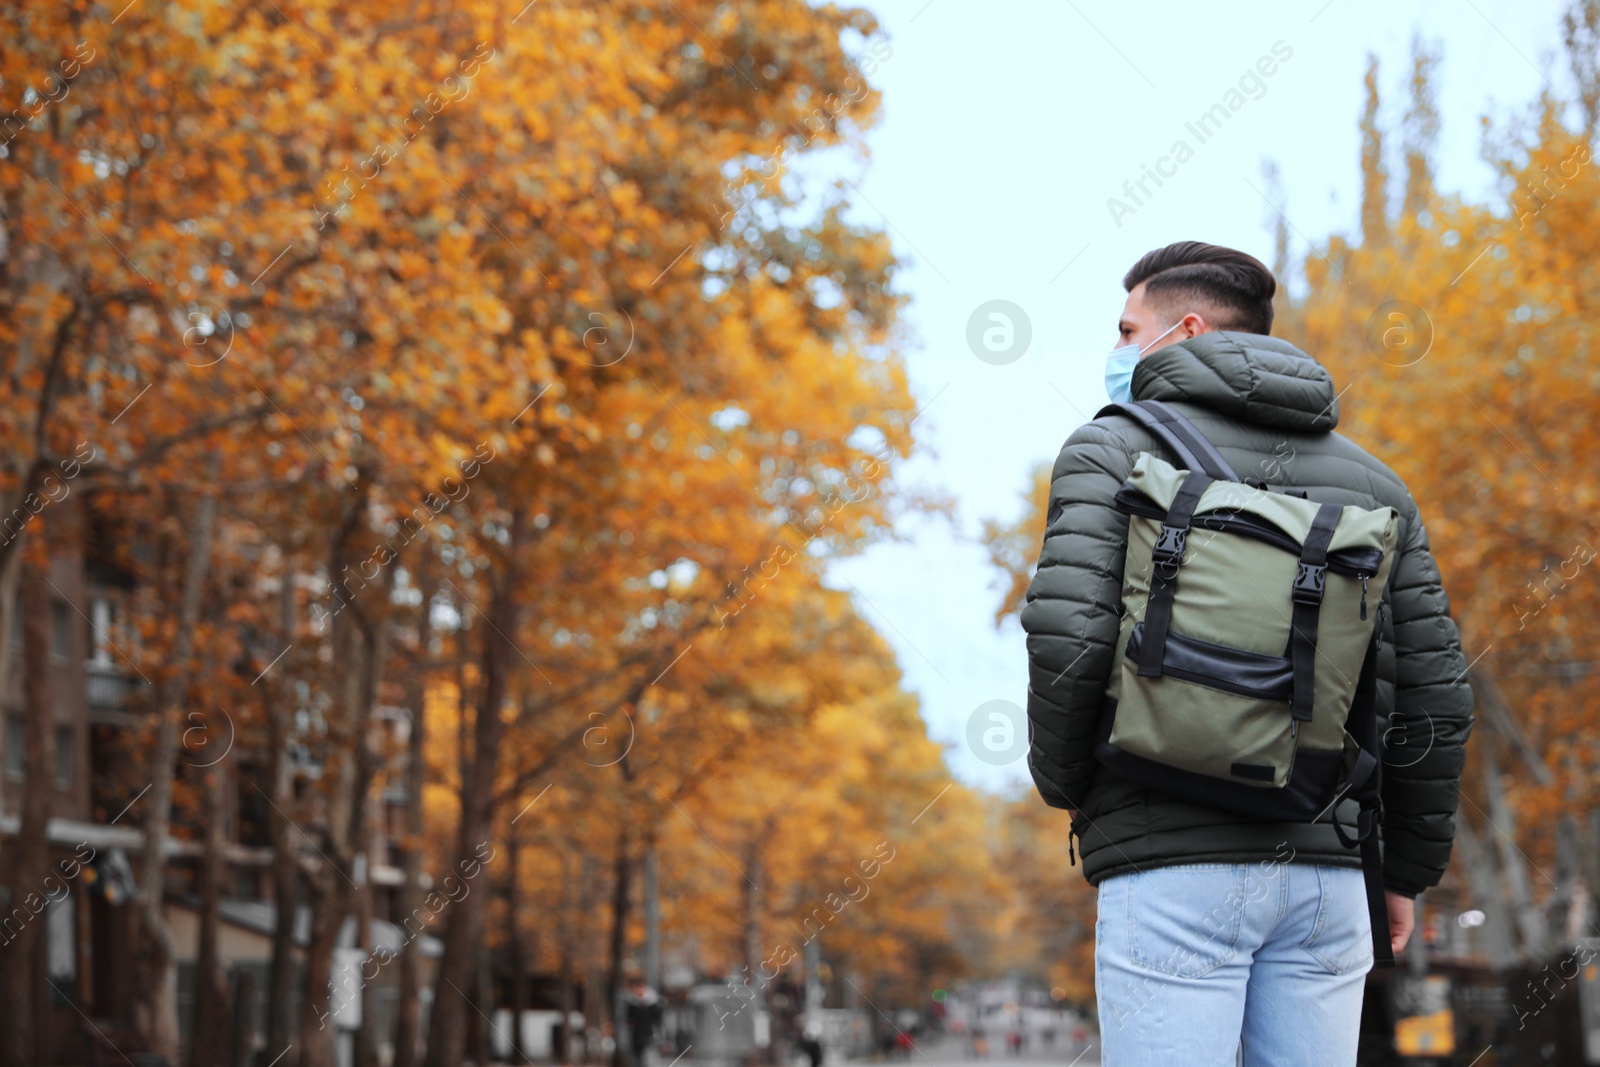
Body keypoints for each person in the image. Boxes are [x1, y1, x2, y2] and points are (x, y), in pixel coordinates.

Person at [1021, 241, 1474, 1065]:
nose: (1118, 349)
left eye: (1128, 329)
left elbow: (1068, 637)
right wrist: (1403, 870)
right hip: (1327, 875)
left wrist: (1073, 785)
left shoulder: (1108, 450)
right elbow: (1434, 695)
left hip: (1170, 862)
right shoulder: (1378, 486)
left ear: (1185, 329)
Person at [623, 974, 663, 1067]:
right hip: (636, 1036)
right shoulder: (632, 1004)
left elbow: (657, 1021)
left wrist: (658, 1034)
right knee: (637, 1058)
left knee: (647, 1058)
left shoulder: (653, 1004)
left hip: (649, 1035)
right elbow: (629, 1019)